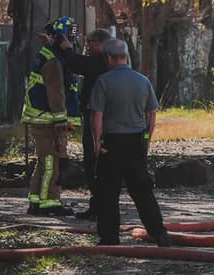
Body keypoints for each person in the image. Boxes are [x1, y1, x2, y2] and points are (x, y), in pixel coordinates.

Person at [90, 38, 171, 247]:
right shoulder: (142, 81)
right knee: (142, 190)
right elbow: (151, 113)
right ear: (125, 56)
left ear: (108, 58)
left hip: (112, 142)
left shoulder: (103, 82)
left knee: (108, 192)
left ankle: (109, 238)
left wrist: (97, 143)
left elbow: (97, 116)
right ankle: (159, 232)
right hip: (136, 141)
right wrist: (147, 139)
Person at [20, 16, 80, 216]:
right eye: (69, 38)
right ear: (59, 37)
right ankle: (49, 203)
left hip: (44, 119)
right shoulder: (53, 60)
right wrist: (61, 120)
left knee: (44, 161)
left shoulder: (50, 55)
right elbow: (56, 92)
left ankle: (36, 200)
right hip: (49, 120)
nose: (71, 42)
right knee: (51, 162)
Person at [55, 28, 113, 221]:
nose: (88, 46)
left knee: (94, 161)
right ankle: (97, 205)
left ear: (101, 44)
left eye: (91, 43)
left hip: (97, 116)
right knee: (92, 161)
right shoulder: (102, 60)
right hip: (95, 114)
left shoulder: (102, 59)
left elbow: (79, 64)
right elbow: (80, 63)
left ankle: (100, 207)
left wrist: (67, 49)